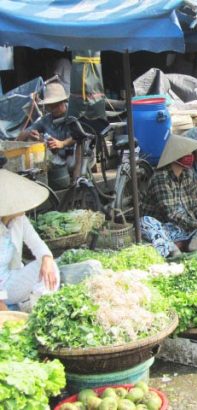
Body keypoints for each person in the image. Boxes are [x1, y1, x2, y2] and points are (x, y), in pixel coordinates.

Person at [141, 134, 197, 258]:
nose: (190, 156)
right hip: (167, 228)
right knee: (145, 221)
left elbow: (195, 204)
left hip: (188, 226)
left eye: (191, 153)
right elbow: (171, 214)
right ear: (176, 156)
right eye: (187, 153)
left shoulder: (188, 174)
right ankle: (170, 250)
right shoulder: (161, 178)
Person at [16, 81, 94, 189]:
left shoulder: (74, 115)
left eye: (56, 105)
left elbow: (82, 135)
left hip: (78, 159)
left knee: (80, 143)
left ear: (63, 102)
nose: (54, 109)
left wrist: (62, 143)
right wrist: (30, 137)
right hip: (59, 160)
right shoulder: (46, 120)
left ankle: (77, 181)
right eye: (51, 107)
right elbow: (25, 133)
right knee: (33, 142)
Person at [0, 170, 60, 312]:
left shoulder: (19, 220)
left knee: (51, 267)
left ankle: (42, 310)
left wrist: (46, 259)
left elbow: (38, 245)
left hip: (11, 281)